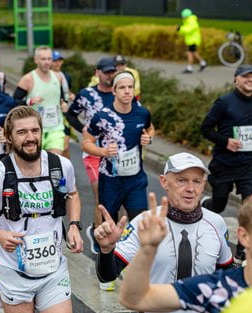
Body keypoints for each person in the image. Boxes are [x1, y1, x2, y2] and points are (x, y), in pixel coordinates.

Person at [0, 105, 84, 313]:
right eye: (22, 132)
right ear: (8, 137)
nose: (30, 138)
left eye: (35, 131)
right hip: (13, 271)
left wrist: (73, 225)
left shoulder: (61, 165)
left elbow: (73, 194)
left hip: (53, 269)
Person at [95, 153, 233, 301]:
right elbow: (107, 276)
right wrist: (106, 250)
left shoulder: (216, 223)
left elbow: (227, 275)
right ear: (164, 182)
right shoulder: (144, 222)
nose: (190, 189)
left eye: (197, 181)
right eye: (182, 181)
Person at [82, 70, 155, 290]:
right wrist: (103, 151)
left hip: (135, 179)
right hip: (111, 180)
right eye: (122, 87)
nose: (126, 91)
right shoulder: (102, 116)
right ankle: (107, 271)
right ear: (113, 90)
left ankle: (140, 272)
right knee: (109, 224)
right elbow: (86, 142)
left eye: (130, 87)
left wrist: (149, 138)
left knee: (141, 223)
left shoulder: (142, 114)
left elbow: (150, 128)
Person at [118, 193, 251, 313]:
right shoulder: (212, 288)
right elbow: (134, 300)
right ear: (244, 237)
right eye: (182, 180)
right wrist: (148, 249)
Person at [200, 65, 252, 264]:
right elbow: (205, 128)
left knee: (249, 205)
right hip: (225, 163)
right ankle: (206, 205)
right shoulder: (224, 102)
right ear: (236, 80)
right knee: (219, 203)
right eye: (245, 76)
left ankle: (243, 248)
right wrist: (226, 142)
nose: (249, 80)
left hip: (248, 165)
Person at [66, 57, 117, 257]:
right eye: (106, 72)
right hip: (93, 153)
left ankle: (113, 233)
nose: (109, 75)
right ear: (97, 72)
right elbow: (71, 114)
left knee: (117, 199)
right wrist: (83, 130)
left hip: (115, 154)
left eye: (112, 71)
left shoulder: (118, 93)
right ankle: (98, 233)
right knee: (101, 195)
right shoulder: (87, 95)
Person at [14, 46, 66, 155]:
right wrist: (29, 102)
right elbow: (14, 102)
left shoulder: (58, 77)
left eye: (49, 59)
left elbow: (60, 97)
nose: (47, 62)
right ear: (36, 60)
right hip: (34, 130)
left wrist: (63, 103)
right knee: (38, 167)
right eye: (43, 59)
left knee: (55, 164)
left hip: (55, 128)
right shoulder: (28, 79)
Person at [177, 8, 207, 74]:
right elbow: (185, 31)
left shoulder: (191, 21)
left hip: (193, 40)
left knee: (189, 53)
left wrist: (180, 28)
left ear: (186, 16)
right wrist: (180, 29)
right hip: (191, 40)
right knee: (194, 52)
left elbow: (188, 30)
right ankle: (203, 63)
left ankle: (189, 68)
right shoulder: (188, 21)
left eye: (183, 16)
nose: (182, 18)